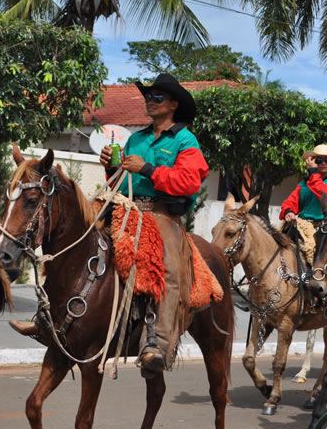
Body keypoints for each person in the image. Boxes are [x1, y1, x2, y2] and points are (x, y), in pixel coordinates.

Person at [13, 74, 209, 376]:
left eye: (157, 97)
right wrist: (112, 166)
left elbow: (189, 182)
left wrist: (147, 169)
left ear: (173, 104)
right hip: (125, 207)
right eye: (148, 96)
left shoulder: (185, 140)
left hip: (162, 214)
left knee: (168, 268)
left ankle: (157, 344)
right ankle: (48, 318)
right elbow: (122, 180)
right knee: (75, 244)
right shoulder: (136, 139)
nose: (149, 101)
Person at [280, 144, 327, 223]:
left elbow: (325, 194)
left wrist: (313, 172)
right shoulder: (304, 183)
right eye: (319, 160)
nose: (323, 163)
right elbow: (291, 201)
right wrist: (288, 211)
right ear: (312, 161)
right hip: (304, 223)